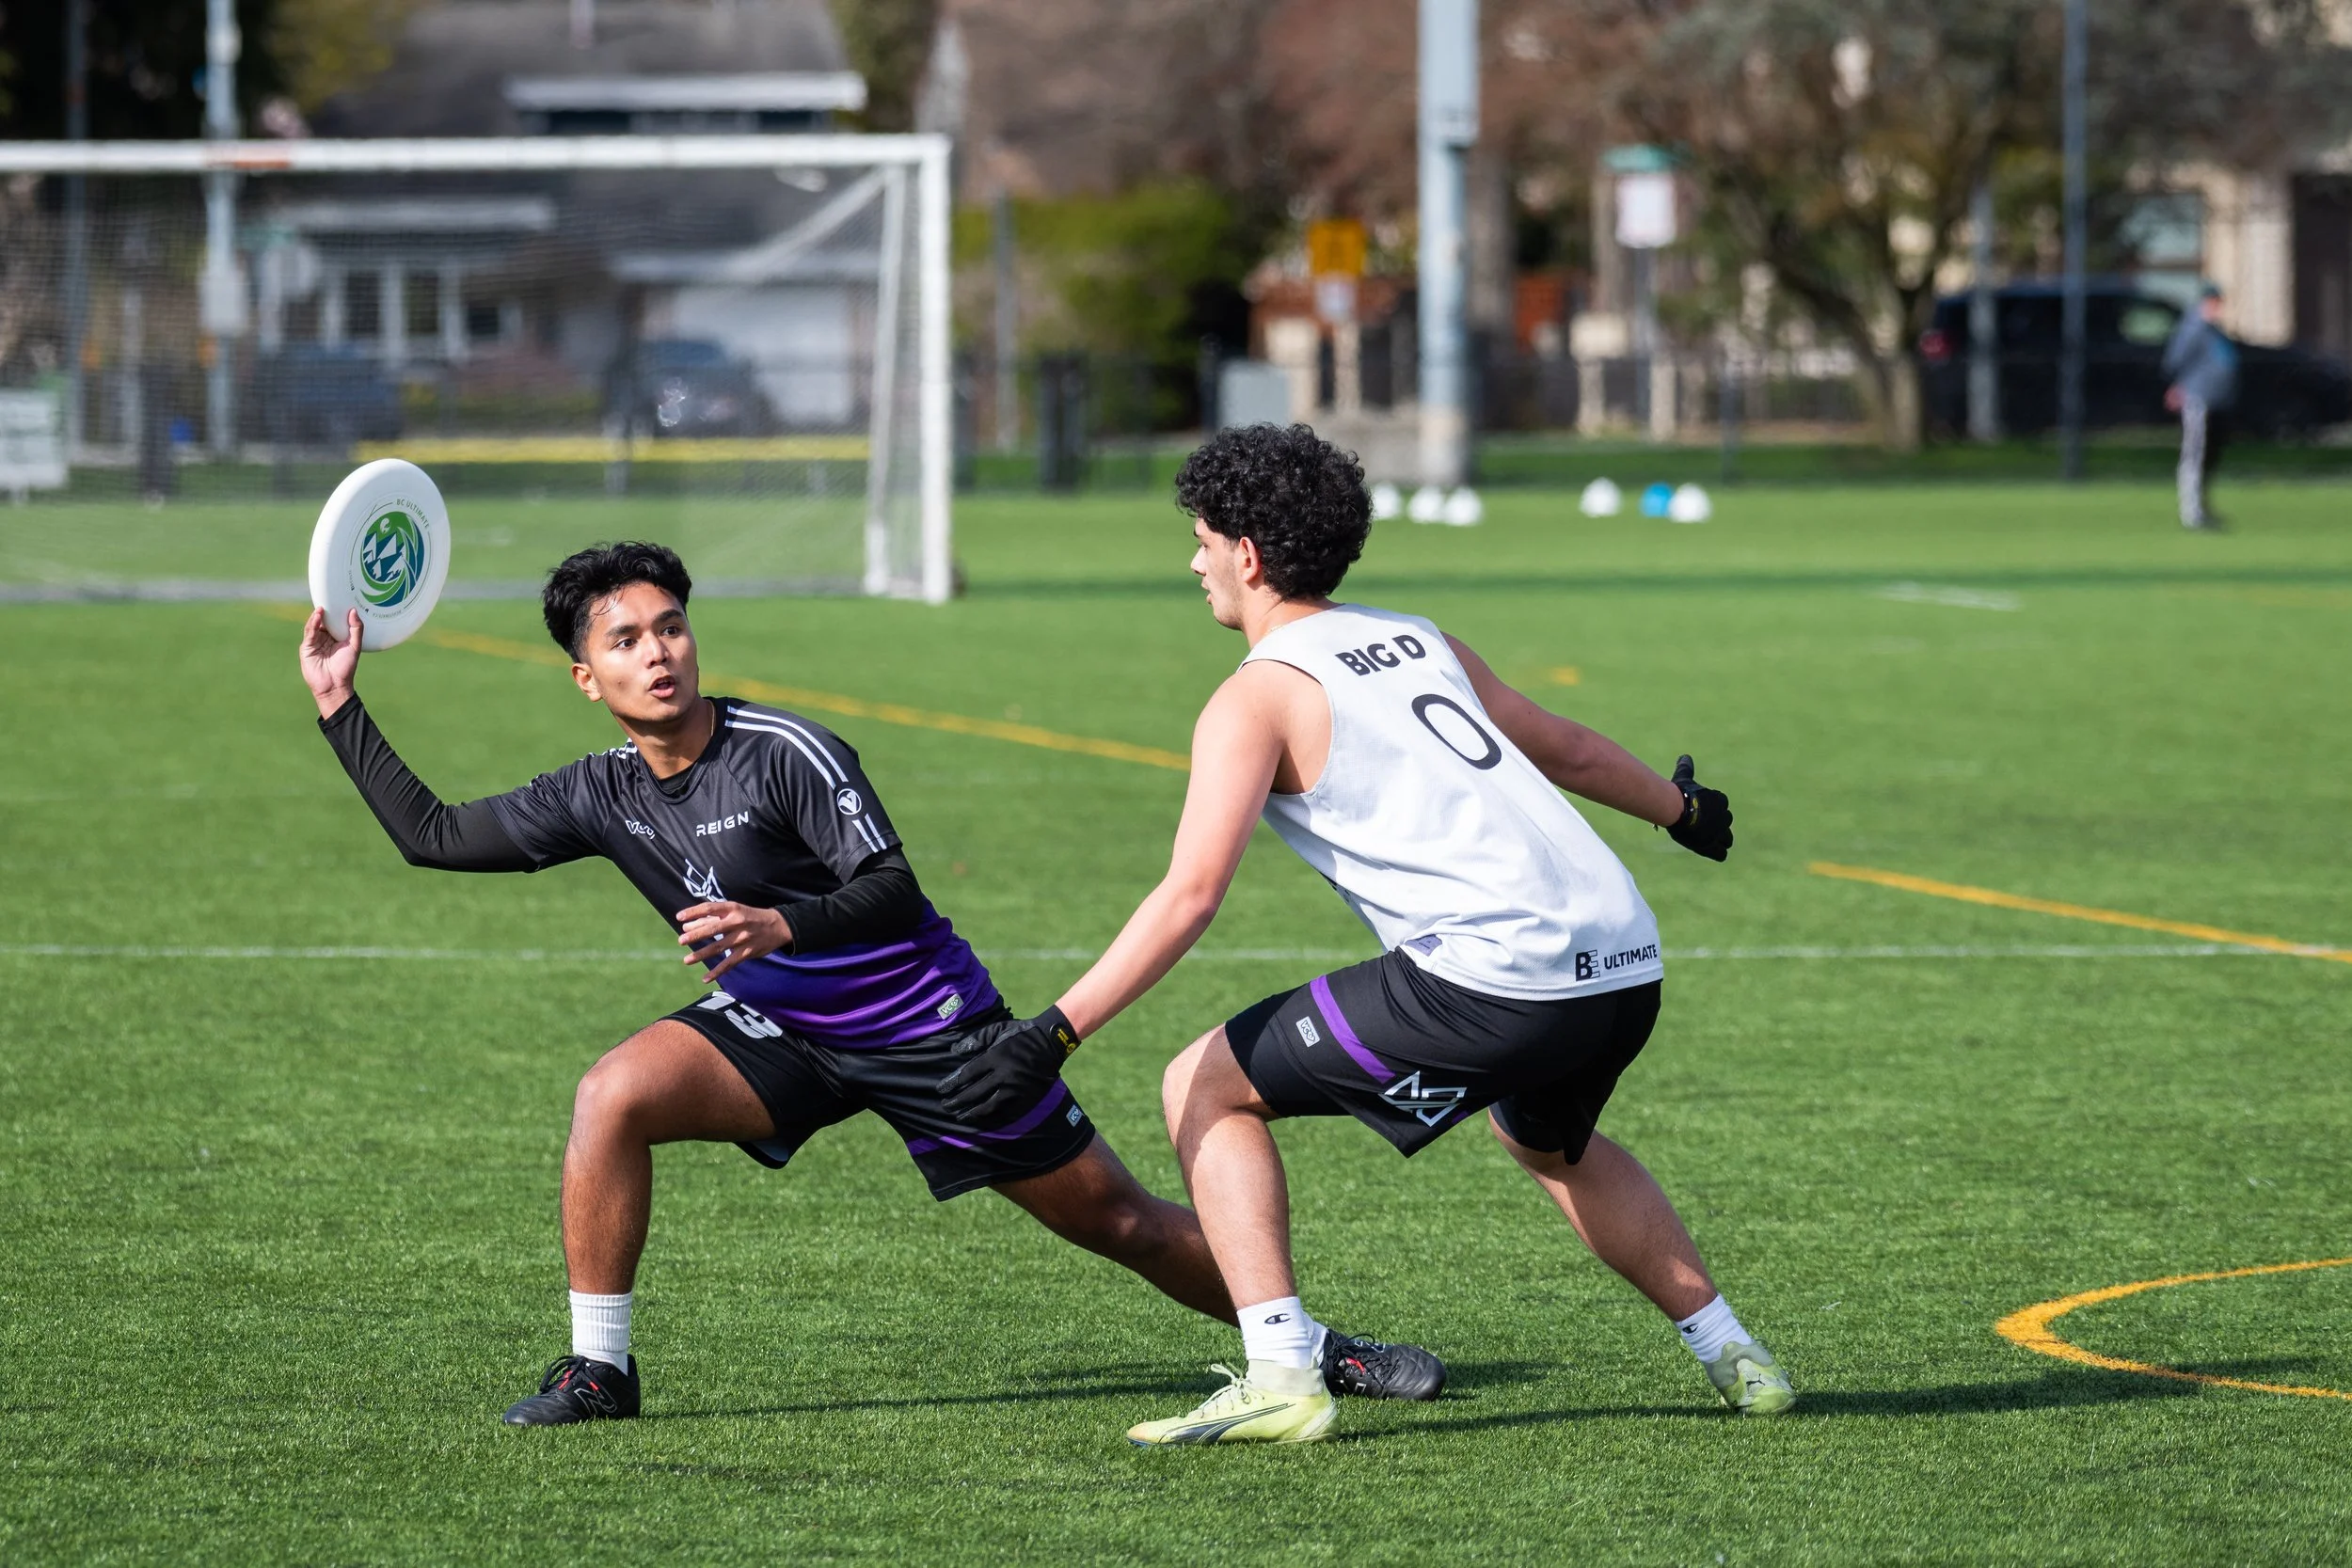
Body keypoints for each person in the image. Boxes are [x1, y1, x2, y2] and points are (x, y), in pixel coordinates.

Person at [296, 539, 1443, 1426]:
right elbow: (436, 834)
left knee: (1120, 1220)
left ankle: (1311, 1343)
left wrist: (778, 917)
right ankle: (601, 1368)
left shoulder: (784, 750)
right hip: (782, 1028)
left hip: (931, 1029)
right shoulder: (598, 789)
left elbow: (892, 888)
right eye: (626, 639)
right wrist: (340, 704)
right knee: (613, 1095)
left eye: (671, 626)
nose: (658, 652)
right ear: (586, 676)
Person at [938, 427, 1795, 1446]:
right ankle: (1734, 1354)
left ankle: (1282, 1374)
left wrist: (1054, 1032)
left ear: (1249, 554)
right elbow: (1560, 743)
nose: (1195, 560)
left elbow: (1190, 894)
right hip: (1623, 959)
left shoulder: (1254, 695)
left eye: (1204, 539)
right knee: (1547, 1140)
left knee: (1201, 1086)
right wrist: (1679, 810)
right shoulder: (1417, 635)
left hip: (1497, 978)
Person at [2163, 283, 2239, 530]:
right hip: (2199, 400)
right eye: (2214, 302)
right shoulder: (2193, 329)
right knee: (2194, 454)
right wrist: (2181, 387)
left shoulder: (2214, 331)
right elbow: (2175, 361)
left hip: (2217, 401)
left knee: (2210, 457)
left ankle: (2203, 507)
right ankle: (2191, 511)